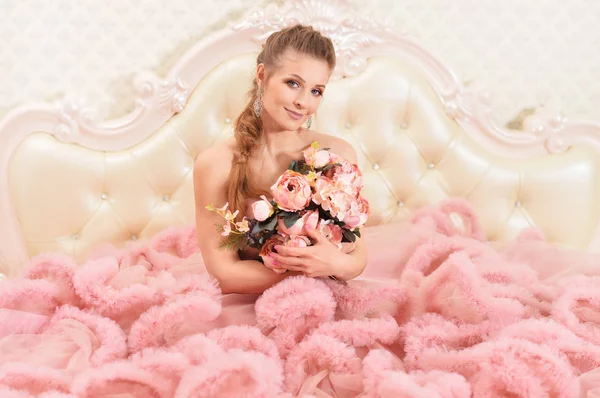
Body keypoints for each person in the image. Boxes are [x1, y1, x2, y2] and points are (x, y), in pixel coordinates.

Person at [193, 25, 367, 295]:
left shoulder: (338, 155)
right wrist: (306, 269)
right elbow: (224, 274)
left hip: (329, 296)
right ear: (263, 75)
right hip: (251, 301)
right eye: (293, 83)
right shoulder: (216, 164)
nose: (303, 102)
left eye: (316, 91)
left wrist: (336, 263)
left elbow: (357, 255)